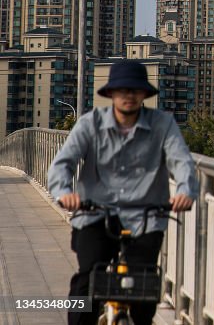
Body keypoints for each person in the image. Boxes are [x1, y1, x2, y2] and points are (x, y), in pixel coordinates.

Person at [47, 59, 198, 325]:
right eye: (123, 90)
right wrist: (64, 192)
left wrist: (185, 191)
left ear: (144, 94)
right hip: (95, 213)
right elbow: (63, 162)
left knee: (144, 283)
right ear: (111, 93)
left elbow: (182, 162)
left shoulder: (163, 124)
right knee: (88, 278)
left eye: (135, 90)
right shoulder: (90, 124)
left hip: (146, 216)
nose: (129, 95)